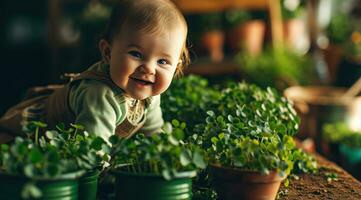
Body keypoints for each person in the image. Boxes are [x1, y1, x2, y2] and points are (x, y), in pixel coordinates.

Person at [0, 0, 190, 143]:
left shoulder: (149, 93)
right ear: (108, 52)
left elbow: (154, 132)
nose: (149, 68)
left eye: (163, 61)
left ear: (176, 68)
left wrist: (167, 153)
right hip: (27, 136)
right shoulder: (100, 94)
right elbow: (93, 149)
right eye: (136, 54)